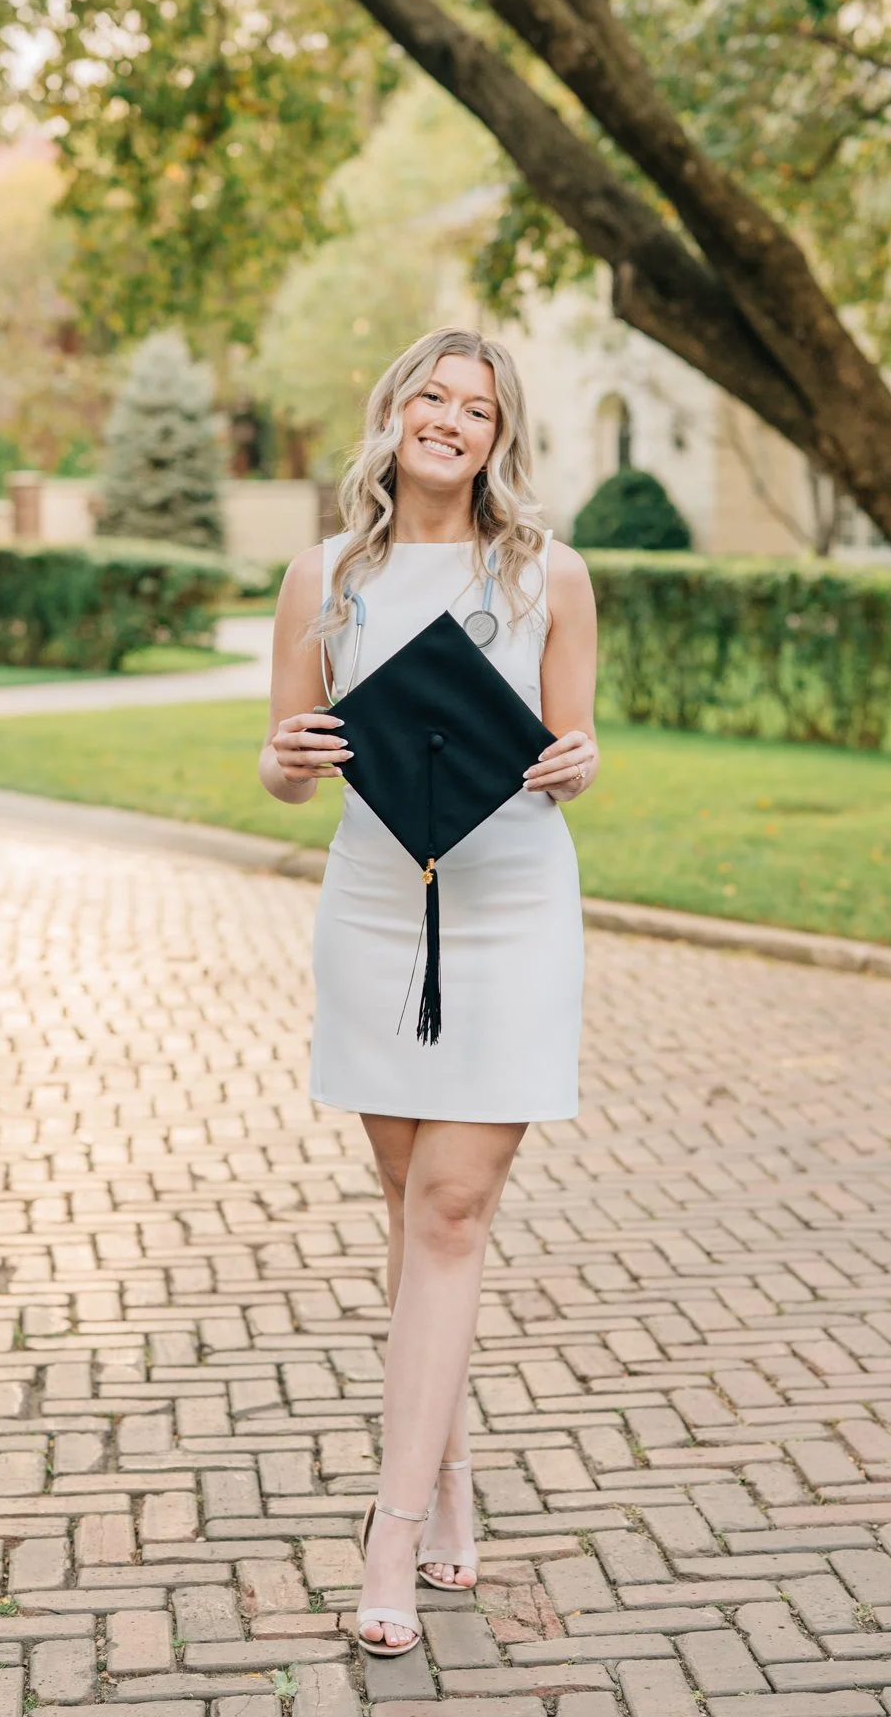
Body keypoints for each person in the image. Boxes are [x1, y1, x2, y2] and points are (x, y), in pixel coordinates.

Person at [259, 327, 597, 1656]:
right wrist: (284, 759)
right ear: (393, 409)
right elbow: (289, 765)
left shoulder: (546, 575)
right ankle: (447, 1475)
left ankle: (388, 1527)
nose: (451, 420)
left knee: (452, 1211)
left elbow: (577, 745)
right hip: (373, 910)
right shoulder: (326, 578)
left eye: (479, 407)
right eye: (432, 396)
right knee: (408, 1211)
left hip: (512, 909)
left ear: (501, 437)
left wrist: (577, 764)